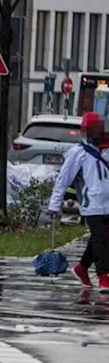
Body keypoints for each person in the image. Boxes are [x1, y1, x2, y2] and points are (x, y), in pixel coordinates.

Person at [50, 112, 109, 292]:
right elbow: (63, 178)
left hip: (107, 203)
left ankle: (82, 268)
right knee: (101, 239)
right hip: (92, 204)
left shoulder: (105, 150)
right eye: (94, 129)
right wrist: (54, 204)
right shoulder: (79, 153)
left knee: (101, 238)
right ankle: (103, 276)